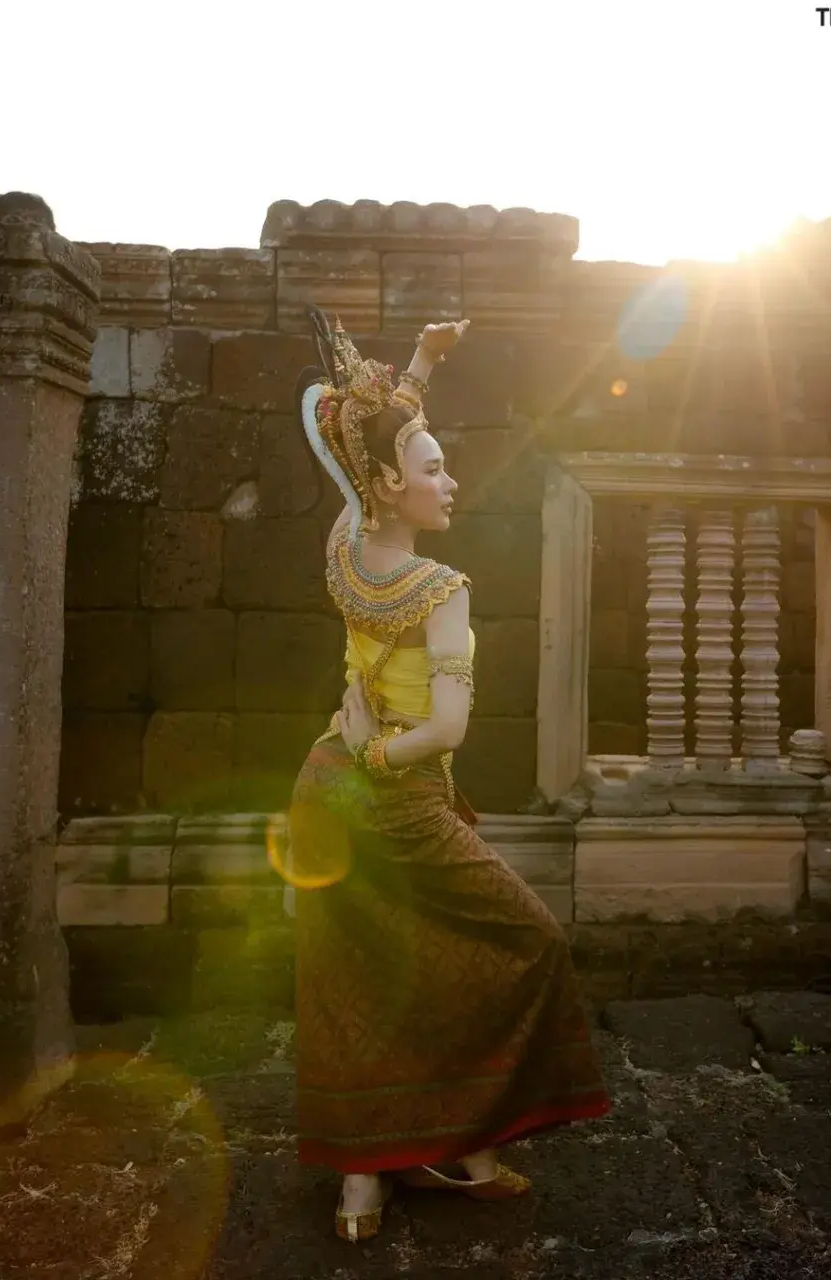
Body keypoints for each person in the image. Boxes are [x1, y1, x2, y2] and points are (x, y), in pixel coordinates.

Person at [286, 310, 611, 1244]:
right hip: (393, 795)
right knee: (531, 943)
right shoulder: (441, 589)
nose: (449, 478)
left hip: (325, 791)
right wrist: (375, 752)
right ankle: (460, 1144)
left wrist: (424, 363)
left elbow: (367, 449)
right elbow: (447, 729)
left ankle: (369, 1186)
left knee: (361, 982)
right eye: (432, 468)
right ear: (390, 484)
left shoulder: (345, 550)